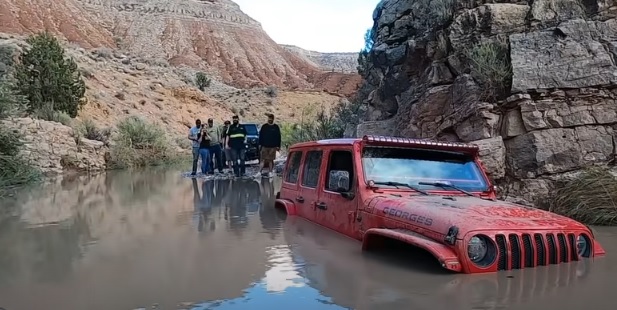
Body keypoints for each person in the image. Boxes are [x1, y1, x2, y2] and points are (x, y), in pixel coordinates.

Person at [258, 113, 281, 178]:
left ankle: (270, 172)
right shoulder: (264, 126)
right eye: (269, 118)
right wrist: (260, 144)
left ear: (273, 119)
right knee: (263, 159)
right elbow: (261, 136)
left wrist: (278, 146)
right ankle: (259, 172)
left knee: (271, 160)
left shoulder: (276, 127)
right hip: (264, 146)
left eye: (271, 118)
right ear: (267, 119)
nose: (270, 119)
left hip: (273, 146)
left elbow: (278, 137)